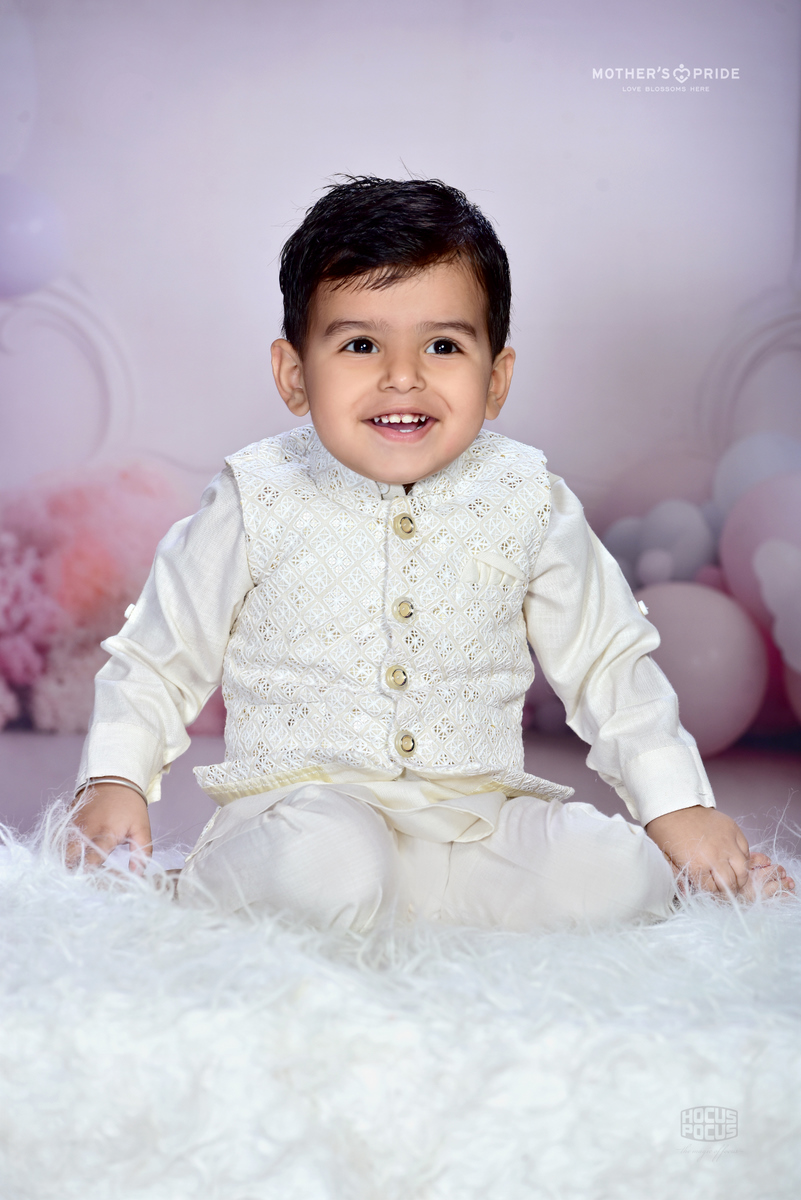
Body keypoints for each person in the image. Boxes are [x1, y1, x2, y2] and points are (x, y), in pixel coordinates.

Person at [71, 176, 795, 933]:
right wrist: (116, 777)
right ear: (294, 374)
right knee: (325, 862)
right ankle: (202, 890)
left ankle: (439, 909)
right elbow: (159, 656)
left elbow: (607, 661)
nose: (402, 376)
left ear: (495, 379)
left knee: (614, 874)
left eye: (443, 345)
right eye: (360, 344)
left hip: (471, 826)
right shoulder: (256, 495)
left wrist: (676, 805)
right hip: (305, 815)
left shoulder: (527, 497)